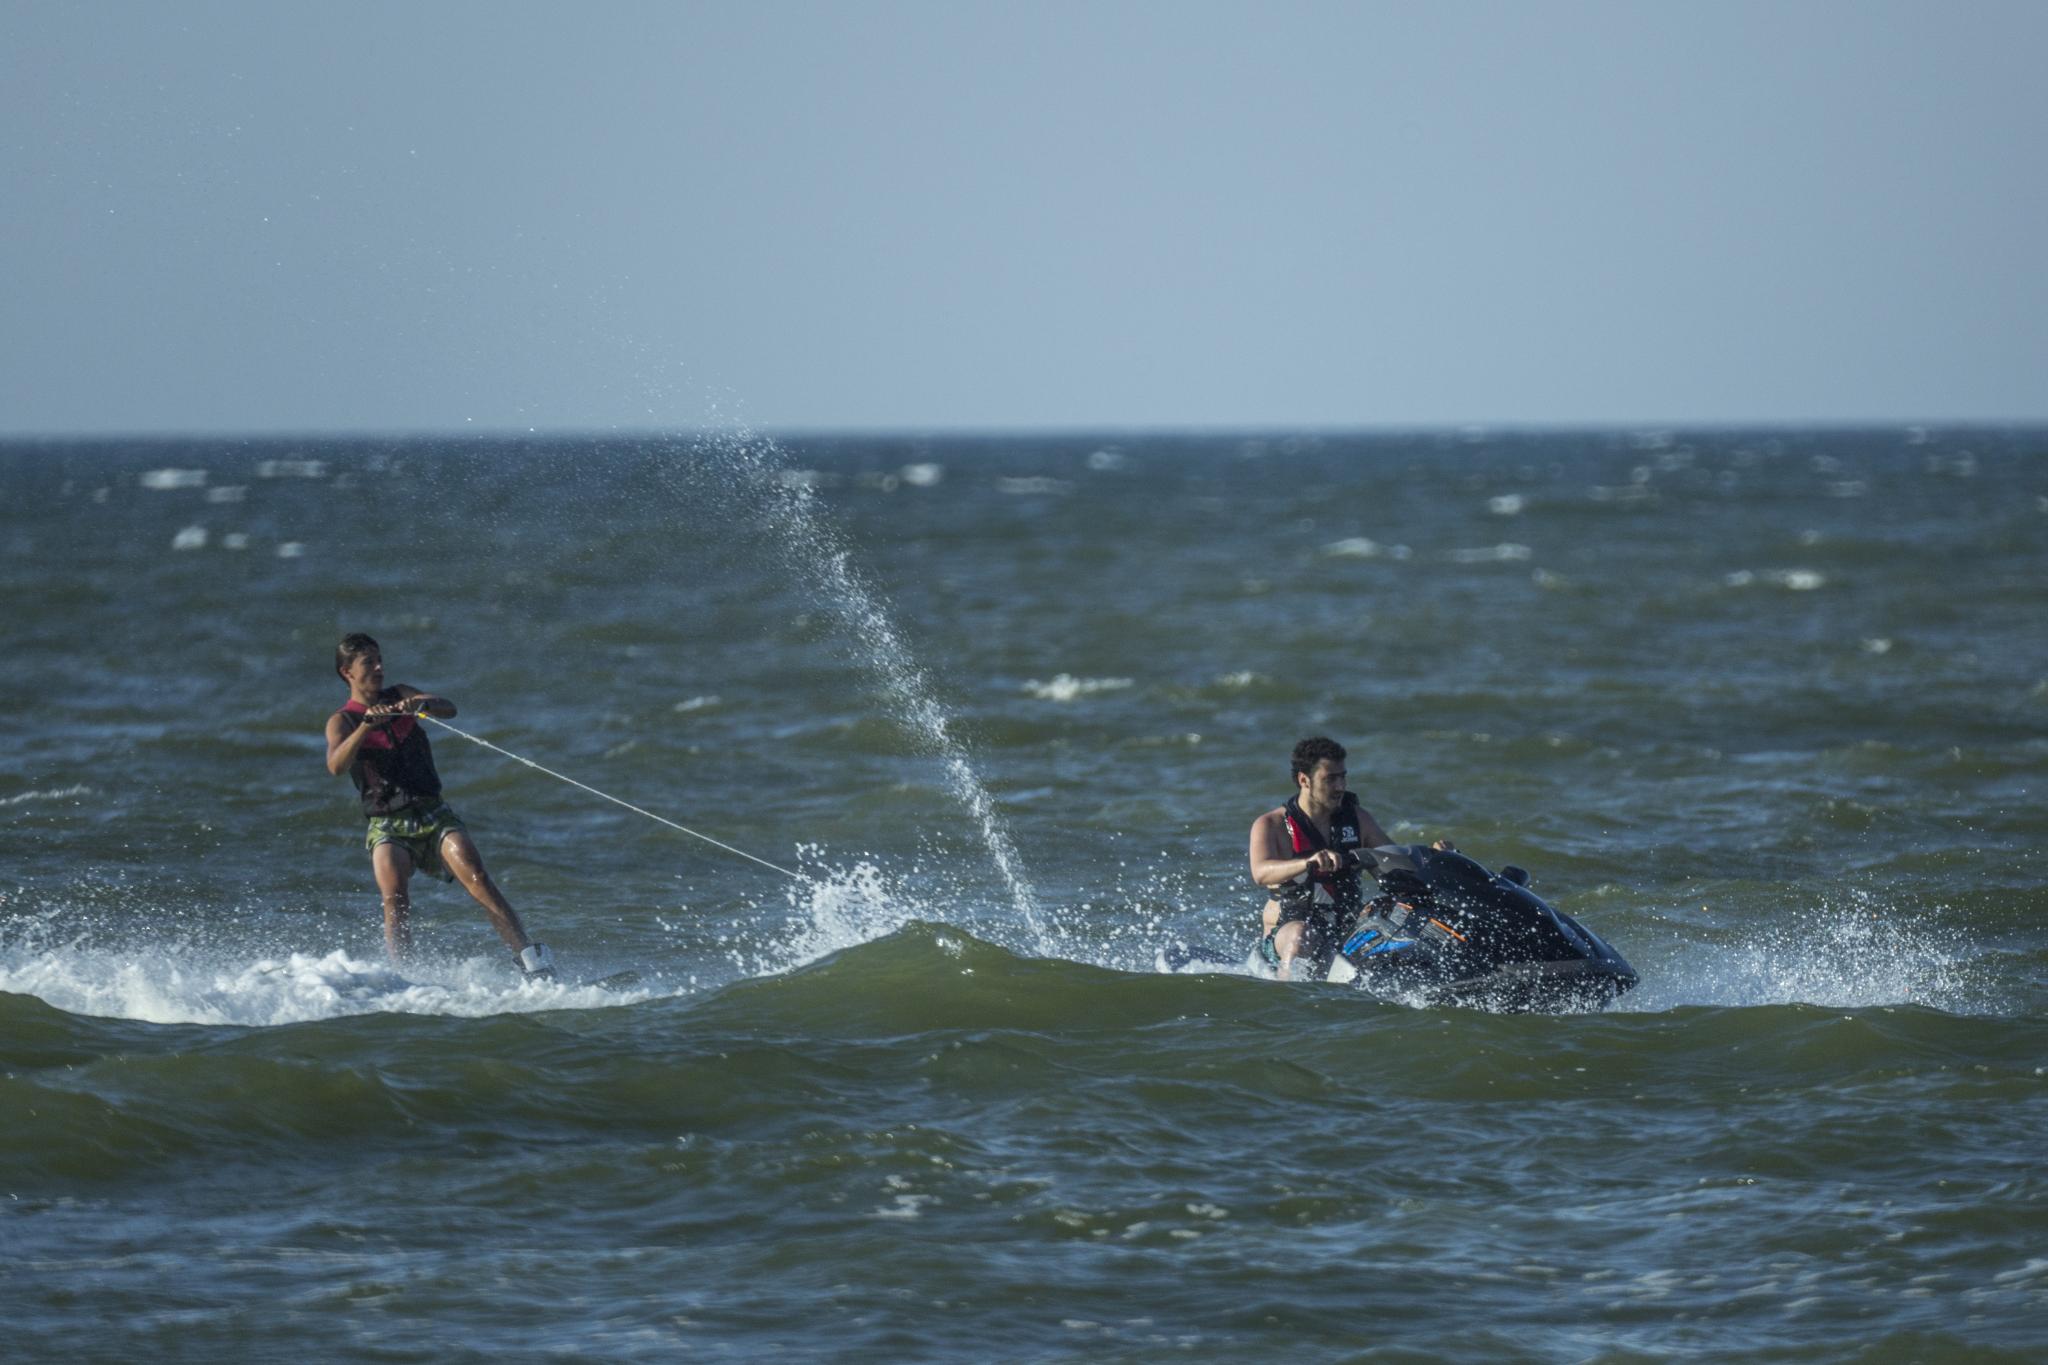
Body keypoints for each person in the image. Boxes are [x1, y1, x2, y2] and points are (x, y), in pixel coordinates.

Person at [324, 633, 554, 979]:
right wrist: (367, 726)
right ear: (348, 672)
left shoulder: (400, 694)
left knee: (478, 878)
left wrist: (422, 704)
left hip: (432, 812)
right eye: (369, 662)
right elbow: (336, 765)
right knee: (395, 899)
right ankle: (403, 977)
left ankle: (532, 963)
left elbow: (449, 708)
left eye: (380, 659)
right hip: (387, 822)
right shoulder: (343, 721)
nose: (379, 667)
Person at [1247, 736, 1398, 981]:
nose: (1340, 787)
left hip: (1344, 929)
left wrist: (1433, 855)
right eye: (1330, 779)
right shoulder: (1271, 825)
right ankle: (1290, 994)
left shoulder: (1358, 819)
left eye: (1343, 777)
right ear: (1304, 780)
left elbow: (1393, 862)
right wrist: (1308, 862)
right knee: (1301, 935)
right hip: (1287, 933)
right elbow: (1260, 873)